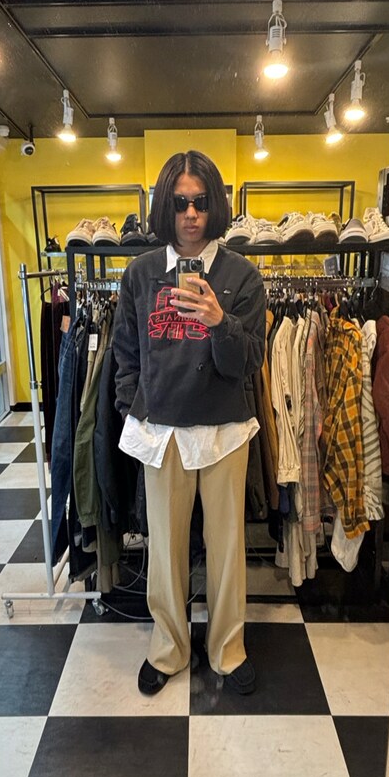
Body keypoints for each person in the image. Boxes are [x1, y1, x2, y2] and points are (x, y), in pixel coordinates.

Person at [112, 150, 266, 695]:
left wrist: (220, 321)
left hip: (224, 428)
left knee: (227, 549)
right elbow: (125, 353)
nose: (191, 214)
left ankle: (227, 649)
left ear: (215, 204)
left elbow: (249, 362)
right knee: (165, 549)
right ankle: (169, 648)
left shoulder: (242, 276)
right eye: (180, 203)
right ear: (165, 207)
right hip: (163, 430)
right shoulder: (141, 273)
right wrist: (134, 403)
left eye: (200, 201)